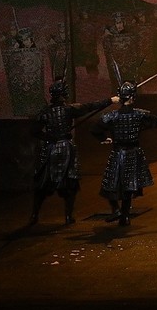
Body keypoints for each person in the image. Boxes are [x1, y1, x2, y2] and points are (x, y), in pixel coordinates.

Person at [92, 80, 157, 226]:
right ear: (132, 97)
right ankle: (123, 215)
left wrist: (103, 138)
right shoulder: (139, 115)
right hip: (131, 153)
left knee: (112, 182)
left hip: (118, 152)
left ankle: (119, 211)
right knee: (127, 185)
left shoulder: (112, 116)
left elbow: (95, 129)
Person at [29, 78, 119, 225]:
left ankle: (35, 215)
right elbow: (90, 106)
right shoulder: (69, 109)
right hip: (65, 148)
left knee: (43, 184)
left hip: (50, 148)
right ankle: (67, 216)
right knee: (69, 184)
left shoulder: (45, 112)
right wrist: (110, 100)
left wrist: (49, 137)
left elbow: (34, 131)